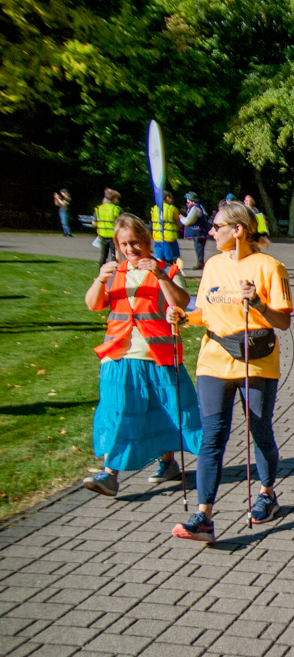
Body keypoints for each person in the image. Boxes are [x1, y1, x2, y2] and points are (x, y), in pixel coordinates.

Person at [167, 201, 293, 542]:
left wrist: (258, 304)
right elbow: (206, 313)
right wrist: (183, 317)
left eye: (217, 225)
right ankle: (204, 516)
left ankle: (267, 495)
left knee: (259, 429)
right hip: (213, 360)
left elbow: (283, 321)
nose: (211, 231)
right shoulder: (212, 265)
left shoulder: (270, 267)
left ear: (237, 230)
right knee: (212, 438)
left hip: (256, 360)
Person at [82, 213, 201, 497]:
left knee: (167, 411)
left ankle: (168, 462)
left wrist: (160, 274)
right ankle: (110, 473)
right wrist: (100, 279)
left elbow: (183, 302)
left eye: (135, 242)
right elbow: (93, 304)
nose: (130, 249)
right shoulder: (114, 272)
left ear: (147, 241)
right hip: (119, 355)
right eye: (124, 244)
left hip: (157, 355)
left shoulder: (167, 269)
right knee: (120, 412)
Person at [92, 189, 122, 266]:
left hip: (102, 235)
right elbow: (122, 222)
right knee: (114, 255)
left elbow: (94, 223)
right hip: (113, 236)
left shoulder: (98, 209)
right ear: (114, 198)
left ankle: (101, 272)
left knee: (103, 256)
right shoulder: (116, 209)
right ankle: (114, 273)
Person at [150, 191, 182, 264]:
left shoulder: (154, 209)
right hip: (168, 237)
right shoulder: (172, 208)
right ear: (167, 198)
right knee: (174, 257)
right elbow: (178, 223)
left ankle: (160, 272)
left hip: (157, 237)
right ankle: (177, 272)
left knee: (159, 258)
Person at [180, 193, 208, 269]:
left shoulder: (195, 209)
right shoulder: (199, 207)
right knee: (199, 248)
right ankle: (200, 263)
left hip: (199, 232)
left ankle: (200, 264)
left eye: (188, 200)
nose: (187, 201)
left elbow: (188, 221)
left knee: (198, 248)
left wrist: (181, 218)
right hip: (201, 231)